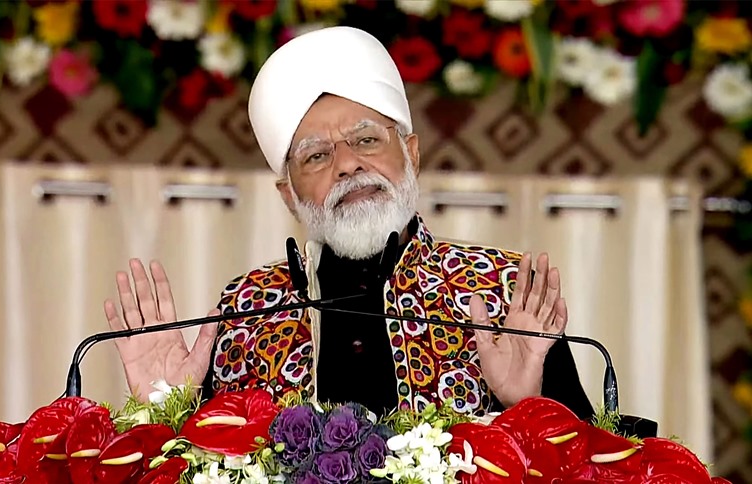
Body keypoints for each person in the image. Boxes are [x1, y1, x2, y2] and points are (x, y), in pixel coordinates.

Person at [104, 26, 593, 420]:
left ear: (412, 155)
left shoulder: (505, 291)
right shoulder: (248, 309)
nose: (347, 165)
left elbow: (595, 468)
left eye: (366, 141)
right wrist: (165, 413)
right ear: (289, 195)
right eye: (316, 156)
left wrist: (529, 407)